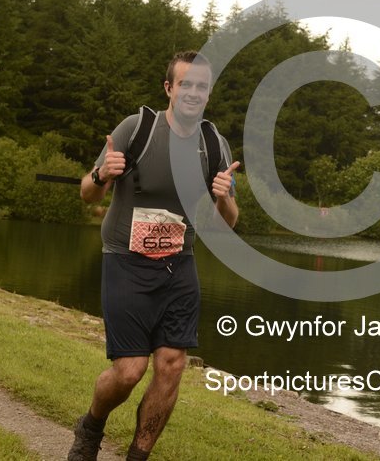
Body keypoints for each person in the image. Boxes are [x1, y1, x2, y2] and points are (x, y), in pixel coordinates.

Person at [69, 50, 239, 461]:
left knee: (172, 364)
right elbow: (87, 194)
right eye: (185, 84)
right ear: (169, 88)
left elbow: (229, 222)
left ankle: (138, 456)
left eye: (201, 86)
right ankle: (91, 425)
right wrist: (101, 174)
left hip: (179, 265)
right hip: (125, 262)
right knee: (129, 371)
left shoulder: (214, 145)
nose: (193, 92)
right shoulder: (136, 129)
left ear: (208, 93)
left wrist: (223, 199)